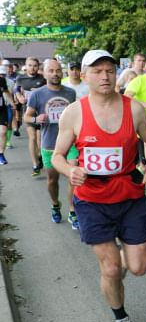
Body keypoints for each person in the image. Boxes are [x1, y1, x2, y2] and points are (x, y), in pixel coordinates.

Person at [52, 49, 146, 322]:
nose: (104, 76)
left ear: (117, 73)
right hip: (92, 200)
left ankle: (116, 267)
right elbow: (59, 157)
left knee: (137, 267)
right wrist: (68, 172)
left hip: (130, 196)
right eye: (97, 71)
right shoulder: (74, 112)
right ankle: (121, 319)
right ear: (84, 76)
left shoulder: (135, 109)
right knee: (111, 269)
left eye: (110, 70)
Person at [23, 59, 79, 226]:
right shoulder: (37, 94)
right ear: (45, 73)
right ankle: (55, 205)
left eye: (58, 70)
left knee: (73, 174)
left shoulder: (70, 93)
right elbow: (26, 116)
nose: (55, 74)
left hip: (69, 142)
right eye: (51, 71)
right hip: (49, 143)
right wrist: (36, 118)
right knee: (52, 180)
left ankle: (72, 211)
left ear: (62, 72)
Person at [14, 57, 46, 176]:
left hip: (41, 112)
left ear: (38, 67)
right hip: (28, 112)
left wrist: (38, 91)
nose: (32, 68)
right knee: (32, 137)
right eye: (30, 65)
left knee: (39, 139)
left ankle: (39, 156)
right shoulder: (20, 78)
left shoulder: (42, 79)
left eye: (34, 66)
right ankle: (35, 164)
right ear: (26, 66)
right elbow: (16, 89)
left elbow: (48, 90)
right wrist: (19, 97)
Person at [0, 65, 10, 164]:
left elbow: (6, 92)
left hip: (2, 109)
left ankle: (1, 154)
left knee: (3, 131)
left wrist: (12, 102)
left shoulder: (2, 80)